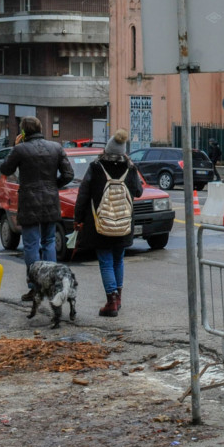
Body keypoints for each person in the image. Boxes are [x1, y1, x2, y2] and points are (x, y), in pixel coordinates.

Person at [0, 116, 74, 300]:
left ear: (24, 132)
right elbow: (68, 174)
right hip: (50, 200)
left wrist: (14, 147)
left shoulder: (20, 150)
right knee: (48, 241)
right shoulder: (56, 147)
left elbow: (5, 169)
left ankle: (35, 286)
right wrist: (53, 185)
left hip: (29, 201)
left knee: (31, 244)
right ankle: (51, 283)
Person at [74, 129, 143, 317]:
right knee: (118, 259)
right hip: (123, 223)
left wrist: (78, 219)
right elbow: (138, 192)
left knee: (105, 262)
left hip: (100, 224)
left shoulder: (96, 167)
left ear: (107, 148)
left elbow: (83, 194)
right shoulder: (130, 167)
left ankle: (111, 301)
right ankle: (118, 298)